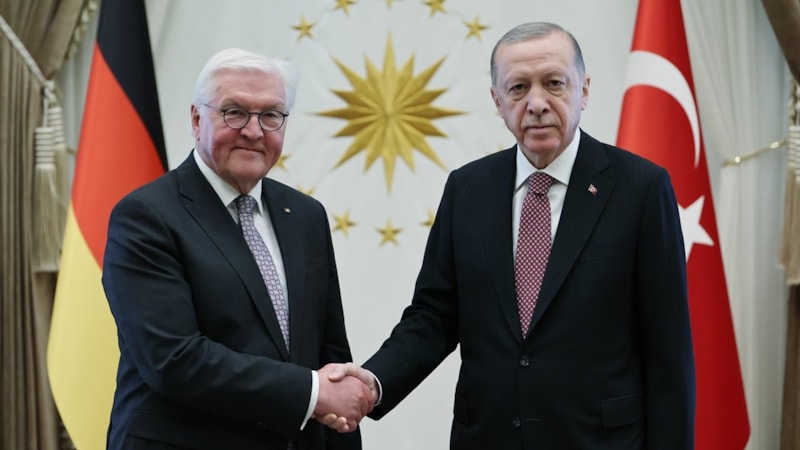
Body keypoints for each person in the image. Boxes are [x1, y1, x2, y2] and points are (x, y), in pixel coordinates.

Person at [326, 22, 696, 449]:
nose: (536, 104)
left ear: (583, 90)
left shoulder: (641, 188)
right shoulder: (467, 189)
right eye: (518, 88)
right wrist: (373, 383)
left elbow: (668, 353)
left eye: (554, 83)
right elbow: (434, 317)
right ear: (497, 101)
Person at [102, 47, 374, 450]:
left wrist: (336, 408)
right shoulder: (146, 216)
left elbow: (328, 352)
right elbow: (174, 360)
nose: (253, 130)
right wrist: (312, 392)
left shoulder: (305, 215)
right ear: (197, 119)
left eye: (271, 115)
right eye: (234, 112)